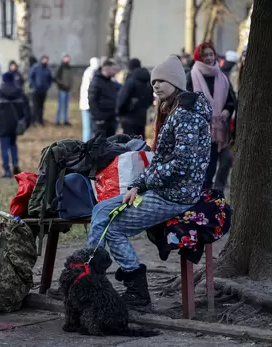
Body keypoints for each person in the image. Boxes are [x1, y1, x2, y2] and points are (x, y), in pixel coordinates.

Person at [87, 55, 212, 311]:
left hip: (175, 195)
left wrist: (141, 185)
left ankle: (134, 291)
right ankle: (87, 274)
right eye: (153, 81)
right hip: (164, 189)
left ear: (176, 81)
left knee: (112, 226)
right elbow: (162, 162)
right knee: (100, 210)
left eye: (161, 80)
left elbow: (181, 163)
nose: (155, 85)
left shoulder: (187, 113)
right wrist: (138, 184)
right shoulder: (178, 109)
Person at [187, 42, 236, 192]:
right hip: (201, 129)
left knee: (226, 159)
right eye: (205, 55)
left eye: (211, 54)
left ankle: (218, 191)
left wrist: (227, 110)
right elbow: (186, 101)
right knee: (208, 166)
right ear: (199, 57)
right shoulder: (192, 75)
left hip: (221, 129)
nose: (209, 58)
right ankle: (205, 195)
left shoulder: (222, 76)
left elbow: (231, 99)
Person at [0, 72, 31, 178]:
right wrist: (27, 123)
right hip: (15, 124)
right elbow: (28, 110)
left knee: (4, 147)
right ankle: (15, 164)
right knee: (13, 144)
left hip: (2, 124)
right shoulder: (20, 93)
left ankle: (7, 170)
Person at [116, 58, 154, 138]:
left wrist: (118, 112)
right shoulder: (148, 80)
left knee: (129, 143)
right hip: (142, 117)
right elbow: (150, 100)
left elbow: (123, 98)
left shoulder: (131, 80)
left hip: (128, 117)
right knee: (140, 142)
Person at [88, 59, 119, 137]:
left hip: (111, 119)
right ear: (107, 69)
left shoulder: (110, 82)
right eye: (113, 69)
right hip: (101, 122)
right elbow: (92, 100)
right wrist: (99, 118)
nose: (115, 72)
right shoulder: (96, 81)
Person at [79, 57, 100, 142]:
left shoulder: (87, 72)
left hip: (85, 104)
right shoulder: (94, 73)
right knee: (91, 128)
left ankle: (87, 145)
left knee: (87, 127)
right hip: (91, 104)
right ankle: (89, 146)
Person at [29, 55, 52, 126]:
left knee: (41, 106)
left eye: (46, 60)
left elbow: (50, 79)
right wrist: (34, 85)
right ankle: (33, 121)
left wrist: (47, 87)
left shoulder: (47, 70)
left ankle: (40, 120)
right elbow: (31, 77)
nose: (45, 61)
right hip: (36, 90)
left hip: (43, 91)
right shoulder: (36, 67)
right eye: (44, 59)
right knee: (35, 106)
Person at [54, 54, 73, 126]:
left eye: (68, 58)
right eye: (66, 58)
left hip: (68, 90)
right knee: (60, 106)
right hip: (62, 90)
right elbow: (56, 78)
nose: (67, 59)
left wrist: (70, 86)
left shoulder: (69, 67)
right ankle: (58, 121)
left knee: (66, 106)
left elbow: (70, 78)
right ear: (63, 59)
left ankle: (65, 120)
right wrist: (62, 85)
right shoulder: (61, 67)